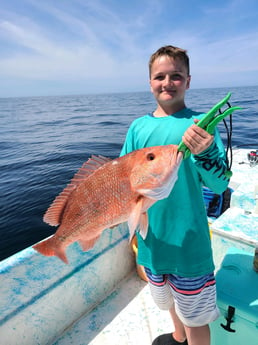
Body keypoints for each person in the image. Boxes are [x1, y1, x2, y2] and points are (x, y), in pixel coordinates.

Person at [120, 45, 230, 345]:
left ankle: (189, 336)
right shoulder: (137, 127)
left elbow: (219, 184)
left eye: (176, 76)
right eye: (160, 76)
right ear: (150, 81)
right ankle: (178, 337)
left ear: (188, 81)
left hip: (189, 244)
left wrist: (205, 150)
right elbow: (124, 180)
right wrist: (131, 229)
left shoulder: (201, 126)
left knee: (196, 317)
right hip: (152, 242)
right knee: (167, 301)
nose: (167, 82)